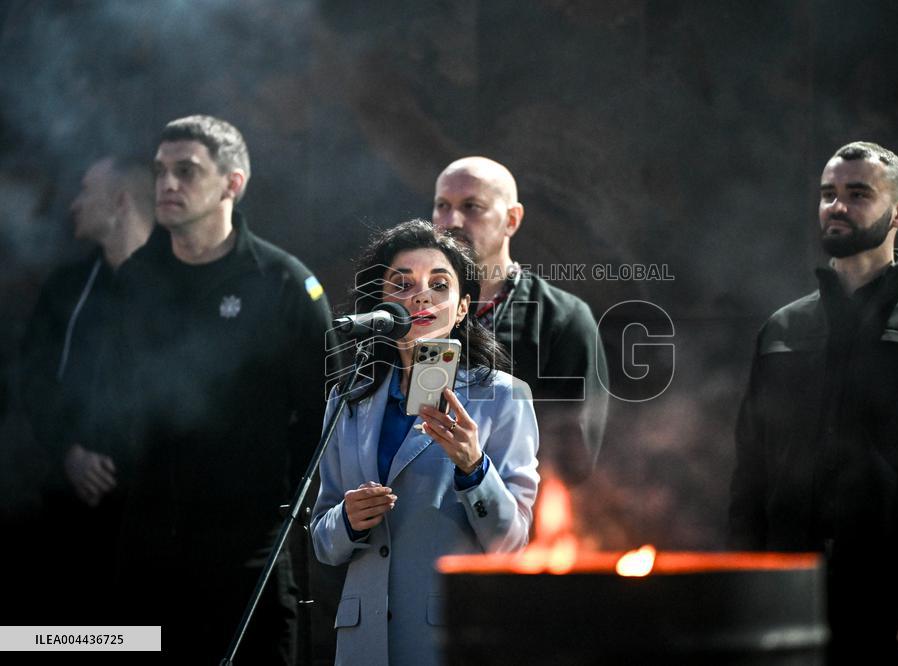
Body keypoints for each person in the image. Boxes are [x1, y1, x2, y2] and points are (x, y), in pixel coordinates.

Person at [728, 141, 898, 664]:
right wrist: (745, 583)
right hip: (793, 604)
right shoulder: (783, 330)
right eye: (828, 194)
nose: (837, 206)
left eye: (858, 194)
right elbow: (751, 472)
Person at [111, 116, 331, 664]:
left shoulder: (285, 284)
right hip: (146, 547)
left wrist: (284, 512)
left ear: (233, 183)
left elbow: (321, 418)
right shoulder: (134, 279)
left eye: (186, 171)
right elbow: (103, 390)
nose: (167, 184)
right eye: (160, 171)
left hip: (248, 552)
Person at [310, 219, 539, 666]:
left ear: (462, 307)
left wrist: (475, 468)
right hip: (363, 642)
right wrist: (348, 520)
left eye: (439, 285)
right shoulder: (349, 398)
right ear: (380, 304)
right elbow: (323, 542)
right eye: (402, 284)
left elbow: (513, 545)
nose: (421, 296)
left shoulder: (502, 397)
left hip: (448, 636)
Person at [18, 154, 154, 619]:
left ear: (120, 202)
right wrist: (69, 453)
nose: (74, 204)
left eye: (86, 191)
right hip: (70, 509)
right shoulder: (66, 287)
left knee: (142, 638)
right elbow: (33, 379)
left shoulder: (179, 285)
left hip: (152, 519)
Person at [432, 156, 607, 484]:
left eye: (471, 207)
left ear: (511, 219)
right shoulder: (410, 310)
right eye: (442, 206)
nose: (451, 220)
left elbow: (572, 460)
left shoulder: (561, 319)